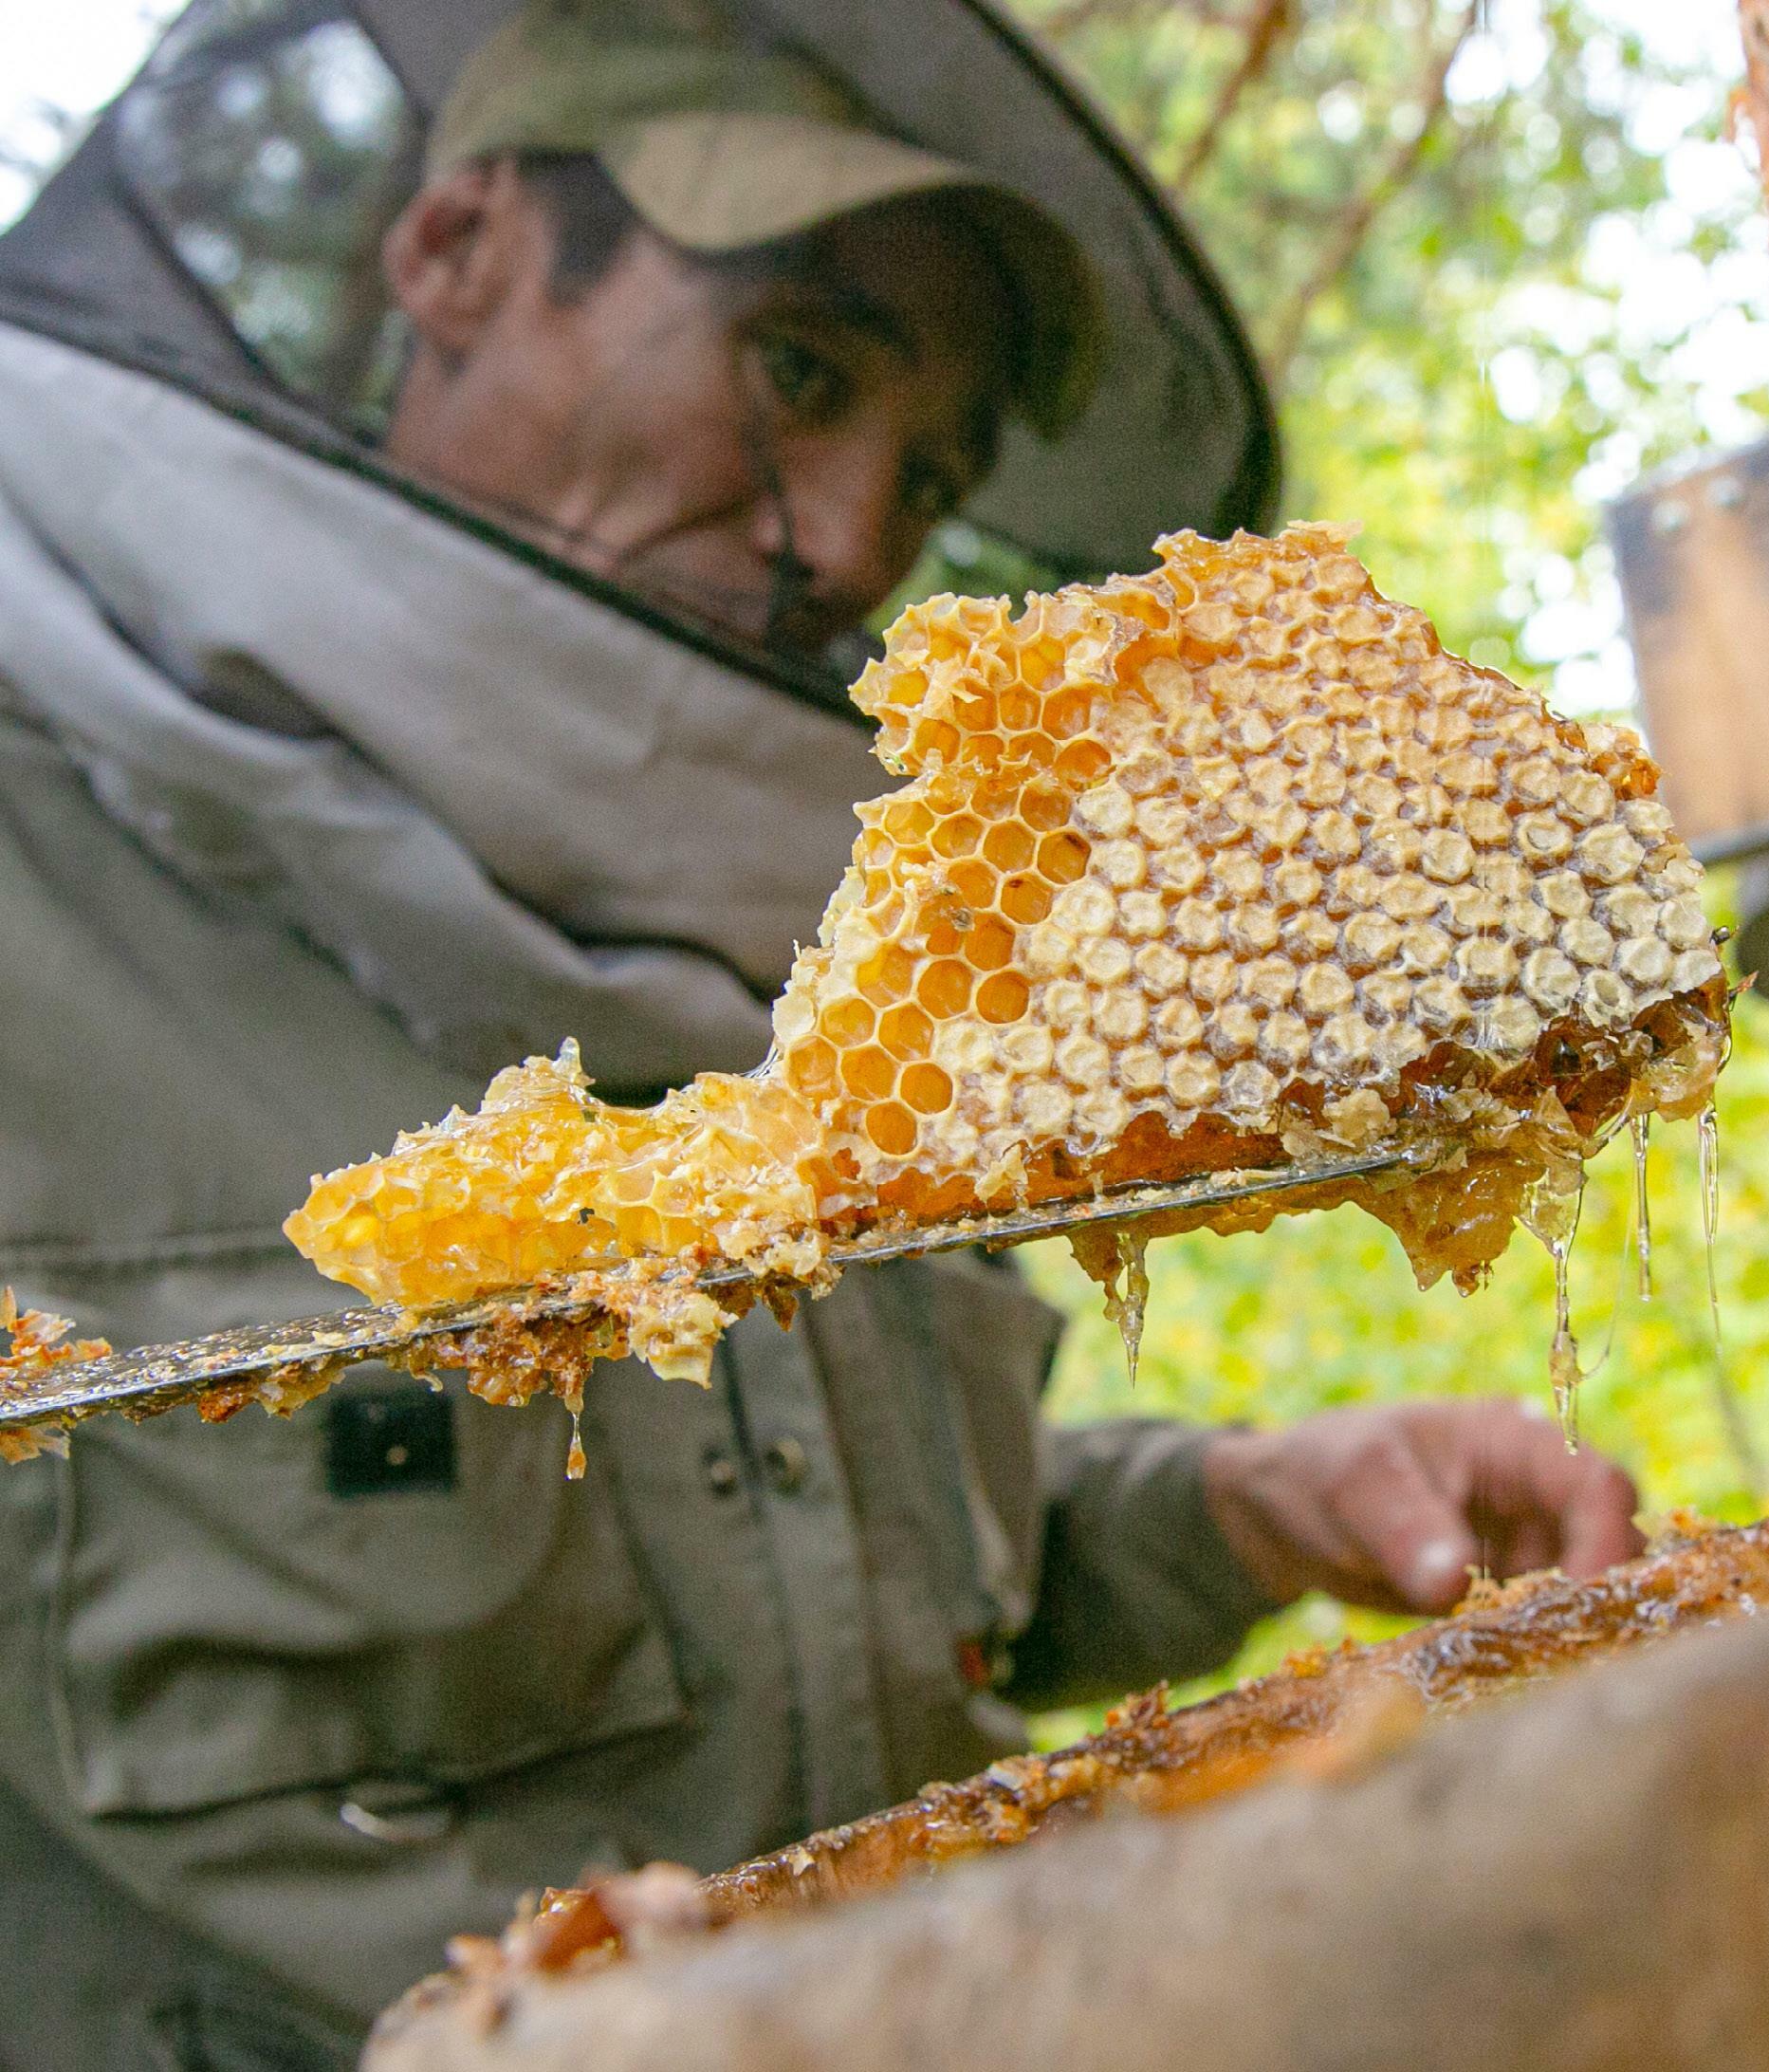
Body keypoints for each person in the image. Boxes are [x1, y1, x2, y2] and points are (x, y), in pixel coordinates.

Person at [0, 2, 1642, 2063]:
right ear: (460, 254)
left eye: (930, 480)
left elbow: (842, 1568)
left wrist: (1229, 1506)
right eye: (800, 371)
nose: (855, 546)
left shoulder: (830, 962)